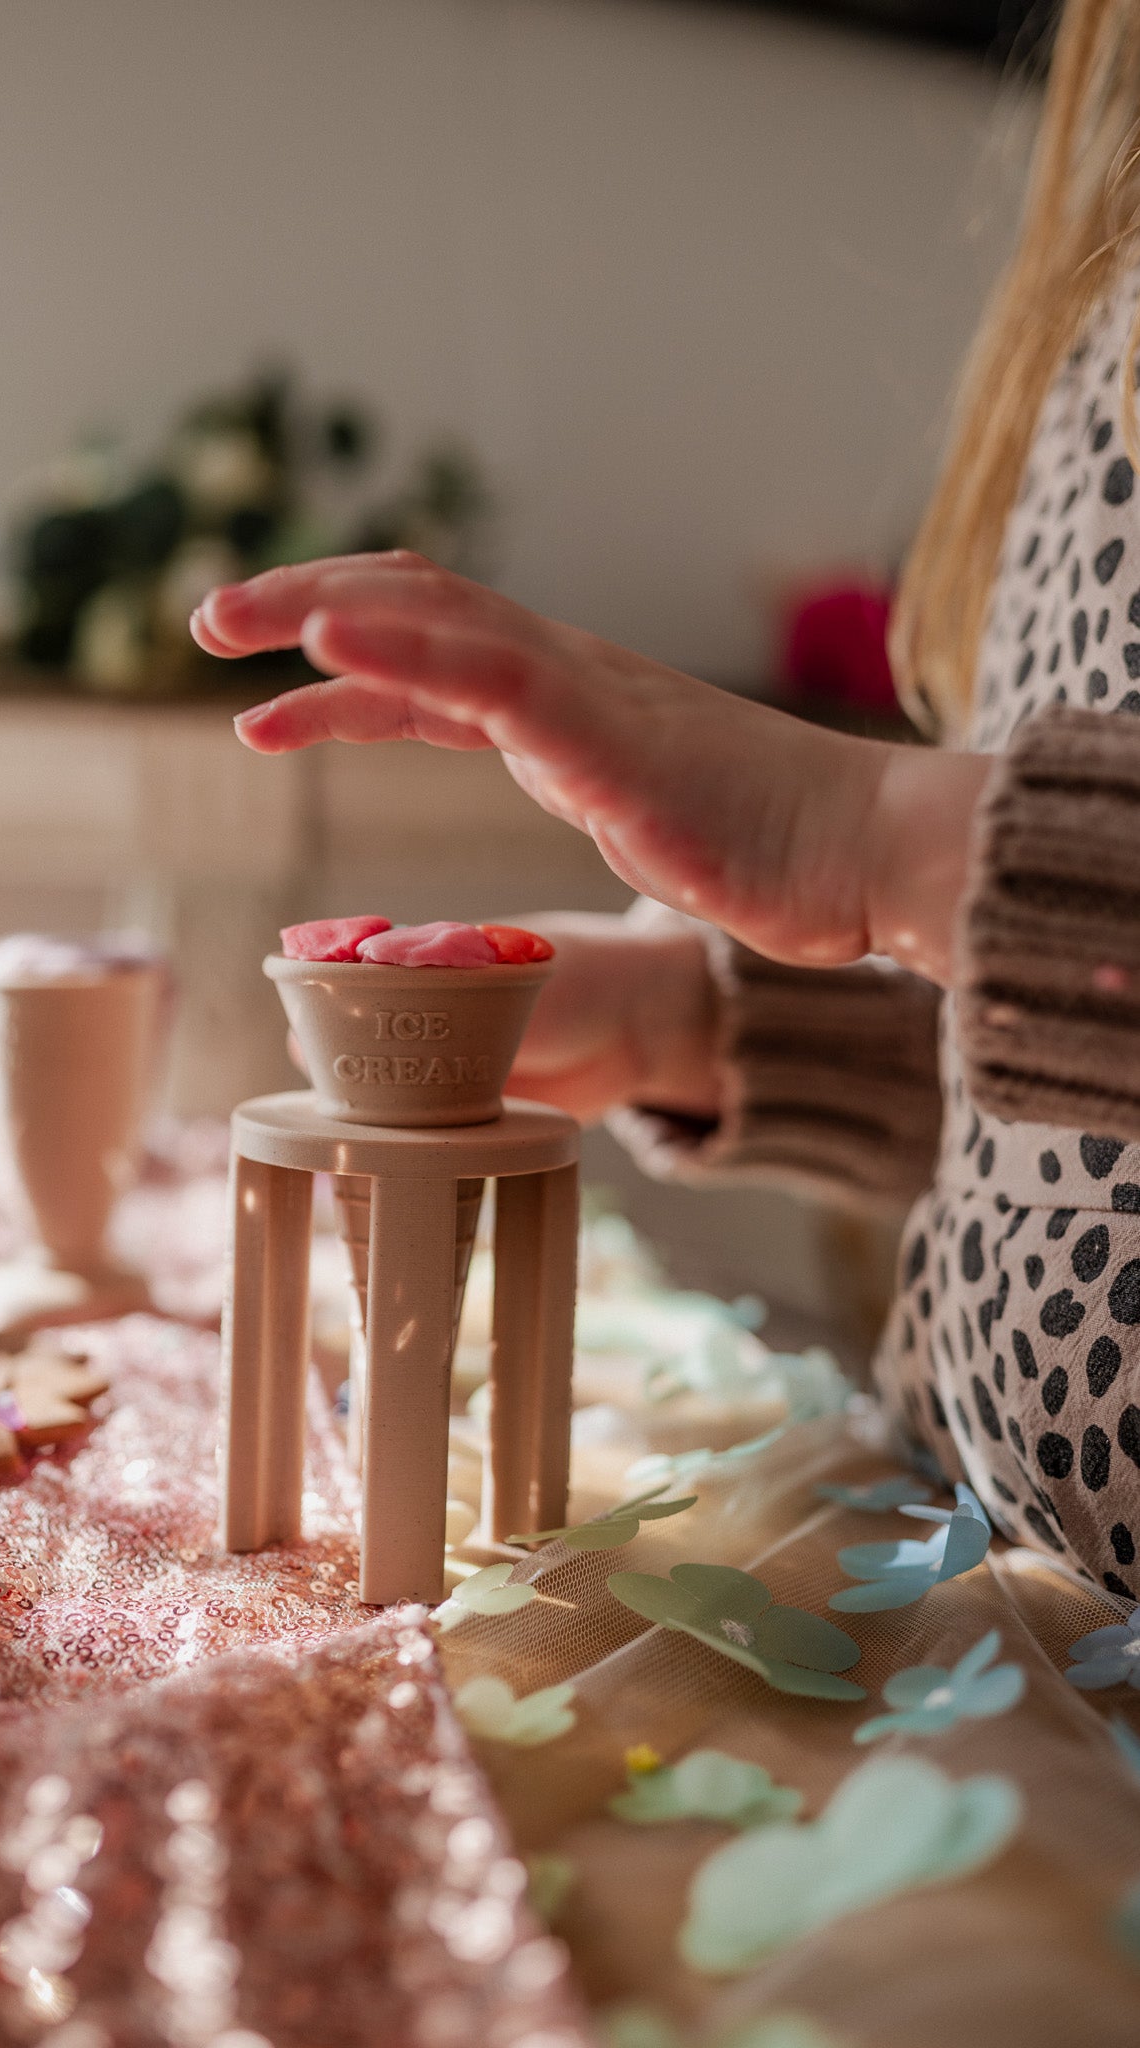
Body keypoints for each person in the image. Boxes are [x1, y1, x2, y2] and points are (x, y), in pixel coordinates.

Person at [191, 0, 1140, 1603]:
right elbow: (1075, 1070)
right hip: (1010, 1599)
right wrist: (700, 1017)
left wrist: (865, 839)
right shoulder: (1098, 274)